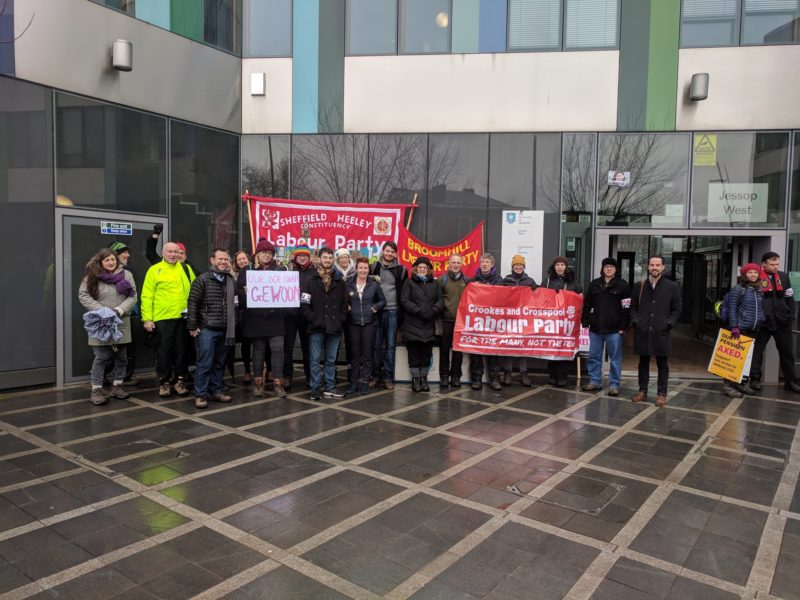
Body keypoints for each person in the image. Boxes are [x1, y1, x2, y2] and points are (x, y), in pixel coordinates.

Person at [78, 248, 138, 405]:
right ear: (101, 262)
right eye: (107, 260)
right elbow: (83, 295)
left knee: (121, 357)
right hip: (100, 322)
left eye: (113, 259)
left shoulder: (126, 275)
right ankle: (96, 390)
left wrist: (119, 310)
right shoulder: (92, 276)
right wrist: (102, 311)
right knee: (102, 357)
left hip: (121, 321)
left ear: (116, 260)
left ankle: (117, 387)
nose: (111, 263)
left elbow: (133, 296)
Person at [141, 242, 196, 398]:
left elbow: (195, 291)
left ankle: (180, 382)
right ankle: (164, 383)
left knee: (182, 352)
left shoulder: (186, 269)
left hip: (183, 318)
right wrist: (147, 319)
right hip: (162, 319)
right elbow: (147, 296)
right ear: (163, 253)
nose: (173, 255)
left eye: (176, 252)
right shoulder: (154, 270)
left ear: (180, 254)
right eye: (170, 252)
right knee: (164, 353)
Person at [238, 239, 288, 398]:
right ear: (257, 254)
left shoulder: (281, 271)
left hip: (276, 318)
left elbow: (287, 293)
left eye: (269, 252)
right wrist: (245, 294)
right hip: (256, 318)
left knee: (278, 351)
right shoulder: (247, 270)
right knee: (258, 351)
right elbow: (238, 294)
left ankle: (278, 384)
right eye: (263, 252)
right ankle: (257, 384)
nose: (267, 255)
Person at [187, 249, 236, 409]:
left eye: (226, 259)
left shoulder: (230, 280)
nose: (223, 262)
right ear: (212, 260)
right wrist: (192, 326)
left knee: (219, 363)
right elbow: (192, 302)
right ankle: (200, 394)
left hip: (225, 329)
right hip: (207, 328)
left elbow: (237, 300)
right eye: (220, 259)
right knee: (204, 363)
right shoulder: (202, 279)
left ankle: (216, 391)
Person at [630, 255, 681, 407]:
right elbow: (632, 307)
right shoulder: (639, 285)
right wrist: (636, 321)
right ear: (648, 267)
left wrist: (669, 323)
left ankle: (661, 394)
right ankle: (642, 391)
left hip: (661, 331)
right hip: (643, 330)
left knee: (662, 364)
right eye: (652, 264)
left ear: (663, 267)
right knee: (643, 363)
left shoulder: (672, 287)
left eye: (657, 265)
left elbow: (677, 309)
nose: (654, 267)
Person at [301, 247, 349, 400]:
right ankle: (315, 388)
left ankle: (330, 386)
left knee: (330, 360)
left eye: (330, 258)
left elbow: (344, 303)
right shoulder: (310, 280)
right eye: (325, 257)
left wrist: (341, 319)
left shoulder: (339, 281)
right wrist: (313, 318)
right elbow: (304, 304)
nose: (327, 260)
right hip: (316, 327)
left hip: (334, 327)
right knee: (314, 360)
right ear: (319, 259)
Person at [748, 251, 800, 392]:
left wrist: (790, 316)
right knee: (757, 351)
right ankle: (755, 379)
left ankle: (791, 382)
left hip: (782, 321)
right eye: (772, 264)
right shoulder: (755, 277)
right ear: (764, 264)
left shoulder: (783, 276)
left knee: (787, 353)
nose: (776, 267)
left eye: (777, 264)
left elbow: (789, 297)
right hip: (762, 322)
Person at [581, 258, 631, 396]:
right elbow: (587, 305)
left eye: (611, 267)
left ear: (616, 269)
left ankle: (614, 384)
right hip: (596, 329)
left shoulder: (623, 286)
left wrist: (623, 326)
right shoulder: (594, 284)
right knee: (593, 356)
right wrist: (585, 321)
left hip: (615, 330)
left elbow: (627, 308)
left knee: (615, 359)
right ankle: (595, 381)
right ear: (603, 269)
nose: (609, 269)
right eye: (606, 266)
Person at [400, 257, 444, 393]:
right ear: (415, 269)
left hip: (429, 324)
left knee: (426, 354)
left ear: (429, 269)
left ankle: (424, 379)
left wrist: (434, 310)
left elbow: (440, 300)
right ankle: (416, 380)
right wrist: (418, 311)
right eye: (420, 267)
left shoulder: (435, 284)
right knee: (414, 354)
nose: (422, 270)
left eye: (425, 268)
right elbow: (404, 300)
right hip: (412, 324)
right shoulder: (409, 282)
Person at [722, 263, 765, 398]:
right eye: (750, 272)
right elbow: (732, 309)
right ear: (744, 274)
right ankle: (728, 386)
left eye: (756, 272)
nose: (753, 275)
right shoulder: (738, 289)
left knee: (746, 359)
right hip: (740, 329)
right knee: (734, 359)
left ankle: (740, 383)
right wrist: (734, 326)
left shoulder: (758, 290)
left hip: (754, 329)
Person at [370, 241, 408, 390]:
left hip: (393, 311)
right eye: (387, 251)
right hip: (376, 312)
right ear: (383, 251)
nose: (389, 254)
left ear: (395, 254)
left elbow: (404, 292)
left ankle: (388, 378)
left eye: (392, 252)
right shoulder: (374, 267)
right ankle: (375, 376)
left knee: (391, 346)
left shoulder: (401, 269)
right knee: (376, 346)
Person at [345, 257, 386, 395]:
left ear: (369, 270)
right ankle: (353, 382)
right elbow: (341, 300)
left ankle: (365, 382)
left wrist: (375, 307)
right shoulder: (348, 283)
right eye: (360, 268)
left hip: (370, 323)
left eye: (365, 268)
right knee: (355, 355)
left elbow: (383, 301)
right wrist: (346, 306)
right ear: (356, 268)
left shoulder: (374, 284)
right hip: (353, 324)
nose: (363, 270)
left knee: (367, 355)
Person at [542, 256, 583, 387]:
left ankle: (562, 377)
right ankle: (552, 376)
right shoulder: (547, 281)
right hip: (552, 321)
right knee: (552, 347)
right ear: (554, 267)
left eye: (562, 265)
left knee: (564, 348)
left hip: (567, 321)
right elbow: (540, 299)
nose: (560, 267)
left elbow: (580, 298)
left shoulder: (574, 282)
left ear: (566, 267)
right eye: (557, 265)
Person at [470, 253, 504, 391]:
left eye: (487, 262)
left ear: (492, 265)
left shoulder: (498, 280)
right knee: (476, 351)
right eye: (482, 262)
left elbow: (500, 297)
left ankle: (495, 379)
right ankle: (477, 379)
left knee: (493, 351)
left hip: (493, 321)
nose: (484, 264)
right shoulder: (473, 280)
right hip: (477, 320)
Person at [502, 255, 538, 387]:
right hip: (510, 318)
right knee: (510, 345)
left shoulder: (530, 281)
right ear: (512, 266)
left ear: (524, 267)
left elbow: (538, 295)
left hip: (525, 318)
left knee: (523, 345)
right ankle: (508, 373)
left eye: (521, 265)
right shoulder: (506, 280)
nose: (518, 267)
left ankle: (524, 373)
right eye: (516, 265)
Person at [106, 241, 138, 385]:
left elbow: (132, 295)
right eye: (124, 252)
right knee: (111, 348)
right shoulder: (104, 274)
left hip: (127, 314)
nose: (128, 255)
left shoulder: (127, 272)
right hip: (111, 317)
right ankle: (107, 375)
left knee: (126, 348)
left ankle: (124, 376)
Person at [285, 241, 314, 388]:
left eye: (305, 255)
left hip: (307, 316)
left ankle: (310, 377)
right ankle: (287, 376)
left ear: (309, 258)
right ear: (295, 257)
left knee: (308, 349)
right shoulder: (288, 271)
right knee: (288, 348)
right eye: (299, 255)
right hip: (290, 315)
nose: (302, 258)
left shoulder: (315, 272)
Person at [439, 254, 469, 390]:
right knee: (444, 350)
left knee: (458, 351)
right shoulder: (442, 280)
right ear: (449, 264)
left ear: (461, 264)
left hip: (461, 322)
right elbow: (437, 299)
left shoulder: (467, 281)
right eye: (453, 262)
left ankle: (456, 376)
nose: (456, 265)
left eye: (458, 263)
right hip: (446, 320)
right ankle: (444, 376)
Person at [225, 250, 253, 384]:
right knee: (245, 344)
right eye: (239, 260)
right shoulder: (233, 275)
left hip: (256, 314)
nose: (242, 261)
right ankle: (247, 371)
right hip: (241, 315)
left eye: (244, 259)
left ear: (249, 259)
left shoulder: (256, 271)